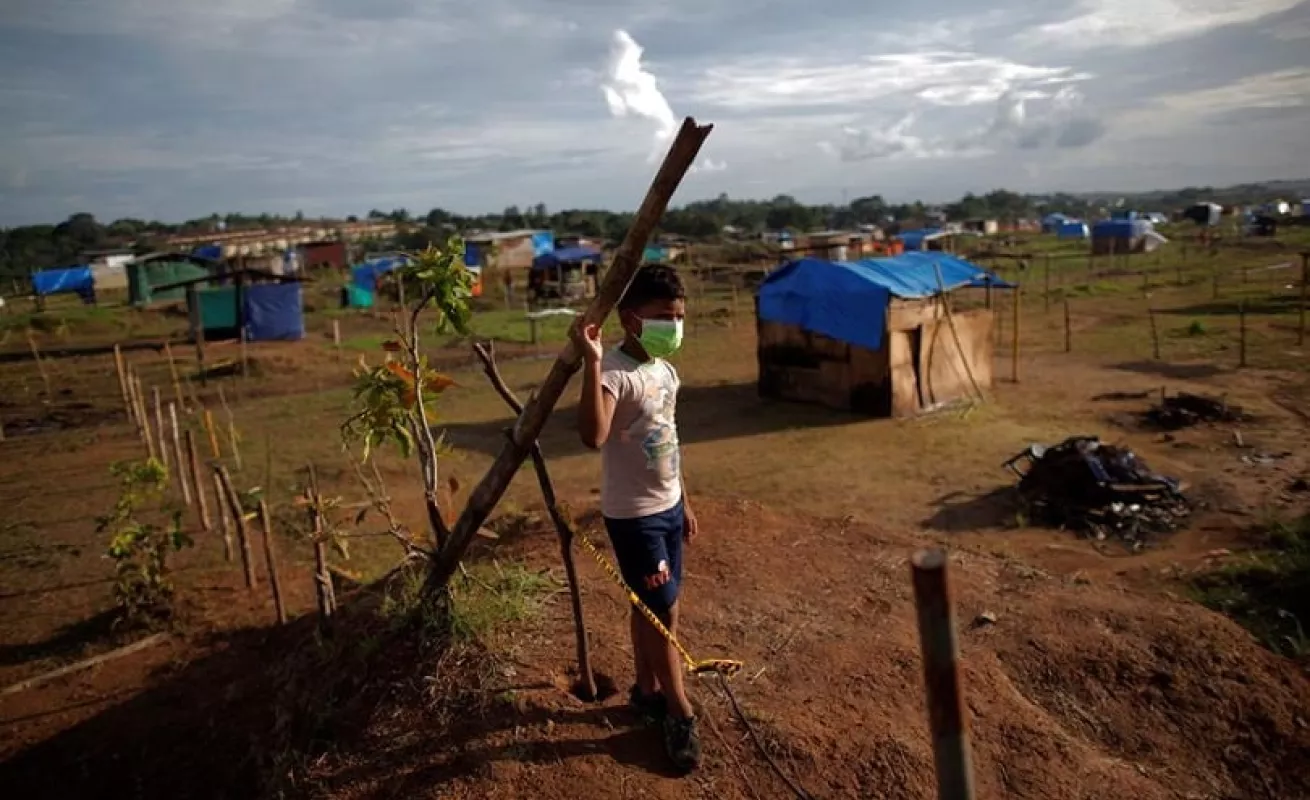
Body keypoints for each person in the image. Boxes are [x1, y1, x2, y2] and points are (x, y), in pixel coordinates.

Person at [571, 264, 701, 772]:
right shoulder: (615, 374)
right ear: (630, 318)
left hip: (667, 509)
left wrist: (683, 500)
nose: (675, 325)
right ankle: (679, 710)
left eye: (680, 317)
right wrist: (591, 362)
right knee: (663, 612)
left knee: (651, 605)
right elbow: (593, 436)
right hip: (635, 518)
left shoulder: (665, 372)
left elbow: (667, 440)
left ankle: (647, 689)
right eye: (664, 316)